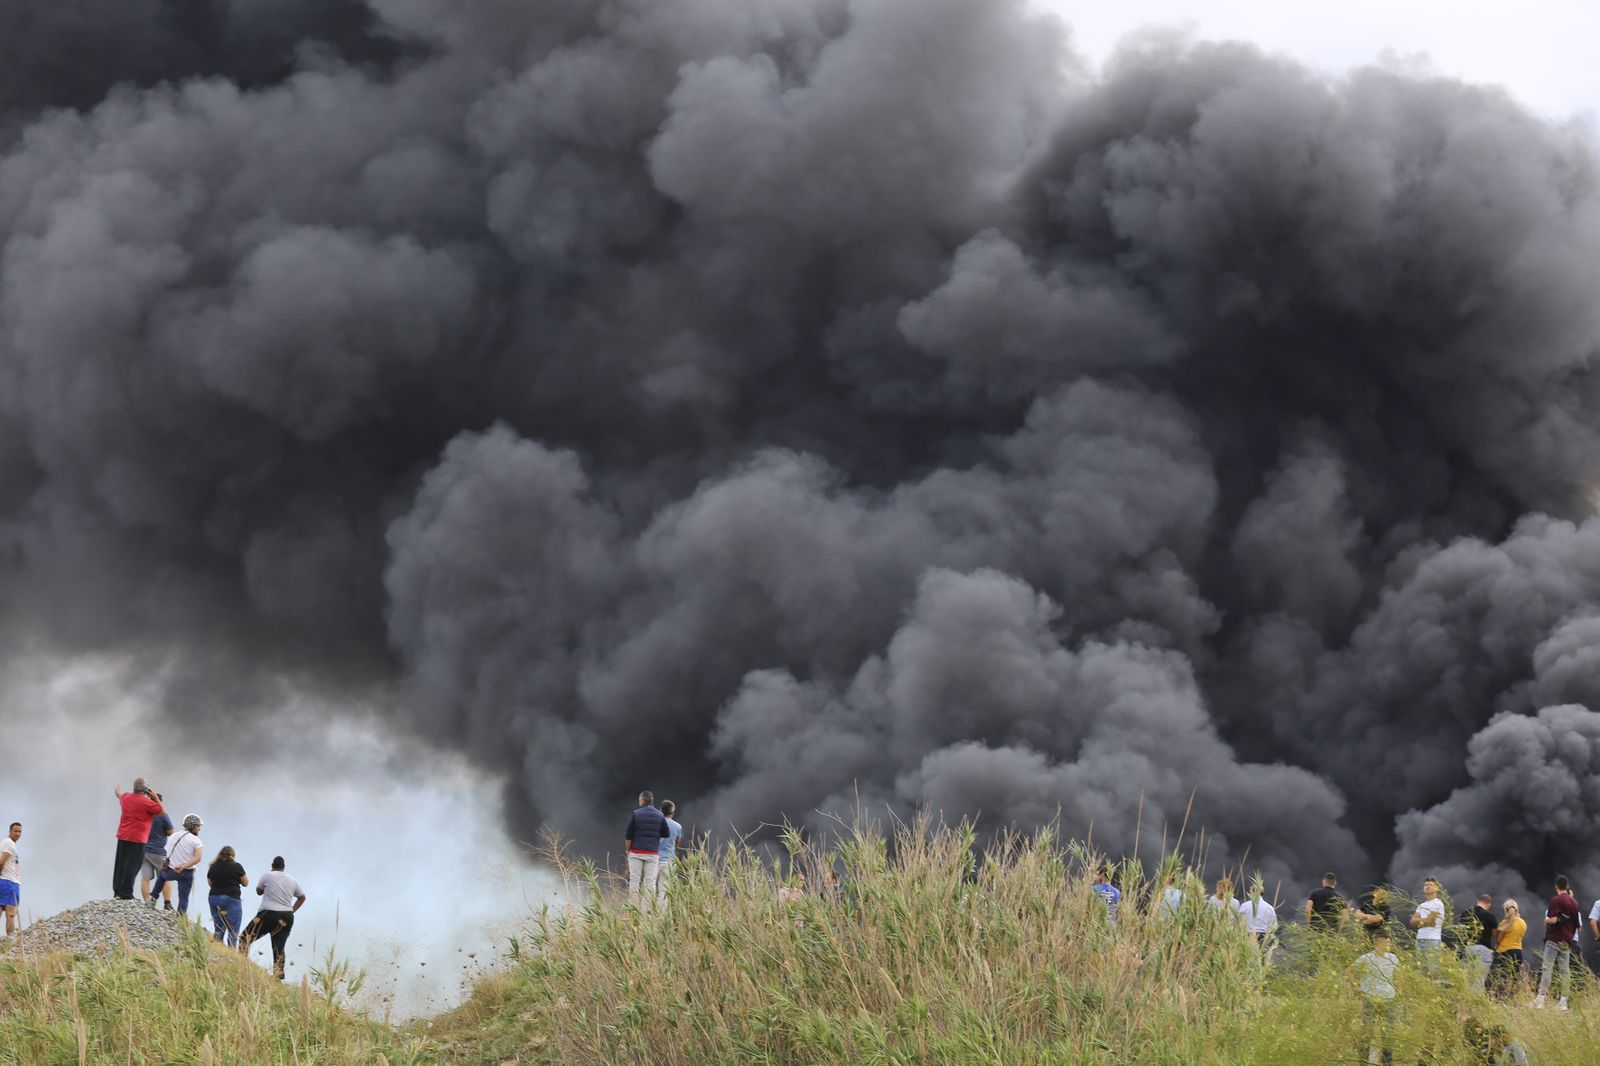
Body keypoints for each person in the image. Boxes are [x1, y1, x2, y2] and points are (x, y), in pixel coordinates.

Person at [240, 856, 305, 980]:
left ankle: (241, 964)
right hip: (287, 916)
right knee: (278, 946)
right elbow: (302, 897)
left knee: (245, 937)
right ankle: (278, 976)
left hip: (268, 914)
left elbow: (259, 891)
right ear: (283, 867)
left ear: (272, 865)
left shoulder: (267, 875)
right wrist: (292, 910)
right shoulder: (292, 880)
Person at [1347, 928, 1398, 1065]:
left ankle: (1387, 1063)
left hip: (1389, 1000)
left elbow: (1399, 975)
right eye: (1386, 941)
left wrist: (1400, 990)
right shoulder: (1366, 958)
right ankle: (1363, 1062)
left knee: (1388, 1034)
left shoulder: (1393, 958)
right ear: (1377, 942)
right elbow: (1350, 971)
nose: (1389, 944)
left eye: (1389, 941)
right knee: (1366, 1033)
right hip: (1370, 999)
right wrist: (1355, 986)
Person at [112, 779, 164, 900]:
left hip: (123, 836)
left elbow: (119, 795)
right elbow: (161, 811)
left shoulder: (125, 797)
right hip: (137, 839)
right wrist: (155, 797)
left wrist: (117, 791)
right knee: (132, 866)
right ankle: (126, 893)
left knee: (120, 864)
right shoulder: (147, 803)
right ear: (146, 790)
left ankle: (117, 892)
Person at [1535, 874, 1579, 1010]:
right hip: (1567, 941)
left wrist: (1546, 920)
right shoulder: (1574, 902)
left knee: (1547, 968)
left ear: (1556, 887)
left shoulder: (1556, 900)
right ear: (1567, 887)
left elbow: (1553, 920)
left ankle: (1540, 1001)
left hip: (1554, 938)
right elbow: (1577, 925)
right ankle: (1563, 1003)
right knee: (1565, 971)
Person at [624, 791, 669, 914]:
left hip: (636, 853)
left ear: (642, 800)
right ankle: (646, 910)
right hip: (652, 854)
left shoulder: (636, 814)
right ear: (651, 801)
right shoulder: (660, 815)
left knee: (634, 879)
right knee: (650, 881)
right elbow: (666, 833)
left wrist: (628, 851)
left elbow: (628, 836)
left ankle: (634, 908)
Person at [152, 814, 204, 916]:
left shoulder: (174, 836)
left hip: (172, 870)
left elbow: (166, 851)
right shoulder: (196, 840)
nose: (199, 829)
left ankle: (153, 898)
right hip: (187, 873)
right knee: (184, 897)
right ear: (192, 826)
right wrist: (184, 866)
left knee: (162, 876)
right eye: (198, 826)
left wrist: (165, 863)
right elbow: (198, 858)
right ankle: (180, 916)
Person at [206, 845, 249, 947]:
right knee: (233, 929)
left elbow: (210, 883)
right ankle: (231, 953)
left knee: (219, 928)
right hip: (232, 899)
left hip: (214, 898)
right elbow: (246, 882)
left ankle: (218, 950)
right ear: (232, 856)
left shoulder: (213, 866)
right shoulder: (237, 866)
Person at [139, 796, 174, 910]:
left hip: (144, 850)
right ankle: (167, 903)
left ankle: (148, 904)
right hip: (159, 852)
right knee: (165, 877)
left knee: (145, 878)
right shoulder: (162, 815)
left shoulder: (144, 814)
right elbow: (171, 832)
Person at [1489, 900, 1526, 999]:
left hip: (1504, 952)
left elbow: (1498, 940)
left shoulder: (1505, 923)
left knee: (1501, 977)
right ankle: (1512, 1000)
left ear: (1506, 909)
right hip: (1518, 952)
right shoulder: (1522, 922)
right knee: (1515, 978)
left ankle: (1499, 999)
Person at [1410, 877, 1446, 974]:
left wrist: (1420, 923)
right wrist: (1424, 922)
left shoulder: (1438, 903)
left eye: (1430, 885)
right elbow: (1412, 921)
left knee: (1433, 971)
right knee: (1422, 971)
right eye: (1426, 885)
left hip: (1432, 940)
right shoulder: (1421, 905)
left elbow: (1430, 921)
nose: (1427, 887)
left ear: (1436, 888)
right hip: (1420, 939)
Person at [1462, 894, 1497, 989]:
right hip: (1483, 949)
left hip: (1467, 949)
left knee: (1467, 980)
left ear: (1478, 901)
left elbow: (1462, 930)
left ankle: (1465, 1001)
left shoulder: (1465, 913)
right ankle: (1475, 1002)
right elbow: (1495, 935)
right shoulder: (1490, 916)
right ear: (1489, 904)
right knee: (1478, 981)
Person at [656, 800, 683, 906]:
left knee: (649, 886)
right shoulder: (678, 826)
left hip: (654, 860)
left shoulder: (656, 824)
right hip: (668, 861)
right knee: (664, 890)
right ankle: (662, 916)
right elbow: (677, 843)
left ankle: (647, 914)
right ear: (673, 812)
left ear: (660, 811)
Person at [0, 823, 20, 936]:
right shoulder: (10, 844)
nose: (18, 834)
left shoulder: (5, 842)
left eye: (19, 831)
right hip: (10, 882)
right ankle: (10, 940)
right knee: (11, 912)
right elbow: (1, 861)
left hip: (4, 881)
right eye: (15, 831)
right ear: (10, 831)